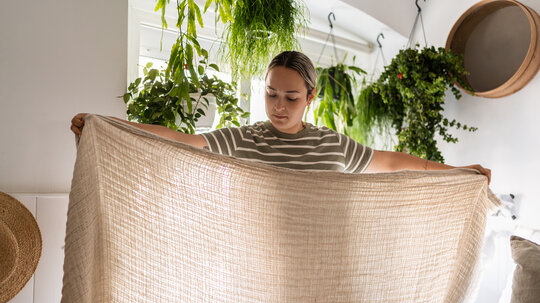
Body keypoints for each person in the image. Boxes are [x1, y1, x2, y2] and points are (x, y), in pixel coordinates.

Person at [71, 51, 491, 183]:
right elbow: (181, 139)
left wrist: (456, 170)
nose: (279, 106)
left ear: (310, 96)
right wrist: (109, 124)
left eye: (291, 97)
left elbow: (396, 161)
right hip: (261, 262)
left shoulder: (331, 143)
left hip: (328, 260)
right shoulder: (247, 138)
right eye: (271, 94)